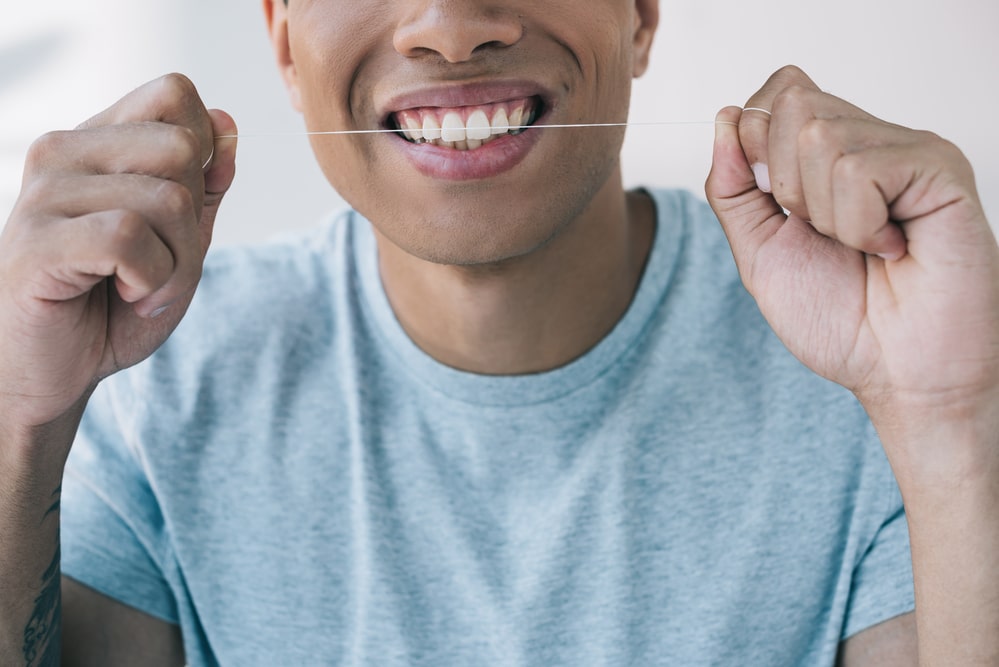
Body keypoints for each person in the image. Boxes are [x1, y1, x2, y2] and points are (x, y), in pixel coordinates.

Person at [1, 0, 996, 664]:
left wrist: (953, 416)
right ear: (282, 34)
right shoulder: (158, 384)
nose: (448, 27)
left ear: (641, 14)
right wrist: (18, 416)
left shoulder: (868, 368)